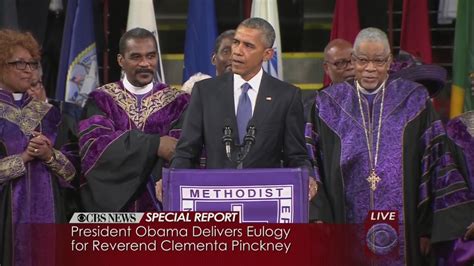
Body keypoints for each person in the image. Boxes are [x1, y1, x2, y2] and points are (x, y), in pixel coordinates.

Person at [309, 27, 474, 265]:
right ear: (353, 61)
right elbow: (312, 163)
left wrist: (427, 227)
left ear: (389, 62)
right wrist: (318, 216)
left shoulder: (414, 100)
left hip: (405, 224)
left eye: (378, 61)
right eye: (363, 60)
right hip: (344, 219)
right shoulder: (328, 105)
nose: (370, 68)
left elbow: (437, 163)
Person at [169, 17, 317, 199]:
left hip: (265, 201)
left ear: (268, 54)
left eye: (248, 46)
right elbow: (186, 151)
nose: (237, 51)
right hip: (215, 199)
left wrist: (306, 176)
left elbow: (296, 155)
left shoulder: (286, 96)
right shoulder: (205, 91)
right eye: (236, 43)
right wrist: (172, 179)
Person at [78, 27, 189, 211]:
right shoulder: (101, 100)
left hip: (161, 209)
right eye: (136, 57)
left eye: (151, 56)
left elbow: (182, 152)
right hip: (115, 217)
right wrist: (155, 145)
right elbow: (96, 150)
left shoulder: (179, 102)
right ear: (121, 60)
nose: (145, 63)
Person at [0, 29, 76, 266]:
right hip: (5, 216)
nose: (28, 69)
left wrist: (49, 155)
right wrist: (23, 158)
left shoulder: (50, 114)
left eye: (32, 63)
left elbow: (72, 173)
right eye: (19, 63)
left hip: (49, 213)